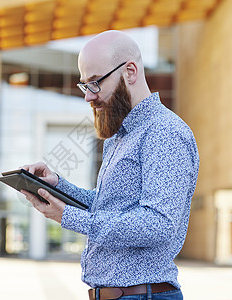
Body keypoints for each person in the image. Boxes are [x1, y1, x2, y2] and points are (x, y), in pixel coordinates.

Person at [20, 30, 199, 300]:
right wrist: (59, 187)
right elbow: (111, 207)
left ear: (130, 71)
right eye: (84, 85)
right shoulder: (119, 136)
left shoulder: (165, 132)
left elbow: (158, 224)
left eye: (95, 82)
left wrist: (68, 217)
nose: (88, 96)